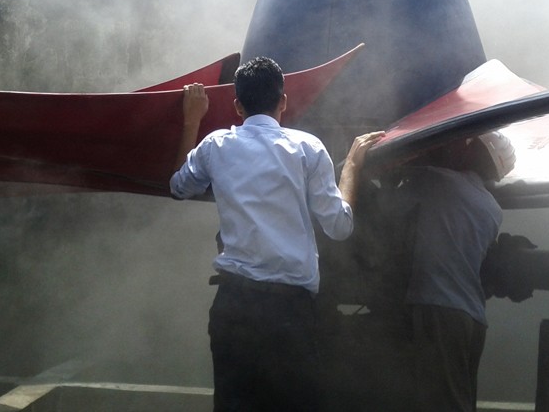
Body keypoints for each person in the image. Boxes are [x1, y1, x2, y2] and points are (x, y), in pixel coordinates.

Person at [169, 56, 384, 412]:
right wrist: (352, 167)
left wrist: (191, 119)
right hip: (290, 312)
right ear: (283, 101)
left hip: (234, 305)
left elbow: (178, 187)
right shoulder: (308, 148)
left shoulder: (215, 145)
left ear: (237, 105)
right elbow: (340, 227)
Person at [397, 132, 515, 412]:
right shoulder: (493, 209)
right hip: (473, 317)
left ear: (474, 152)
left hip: (439, 308)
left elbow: (389, 197)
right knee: (461, 401)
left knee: (441, 403)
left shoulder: (437, 181)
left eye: (468, 143)